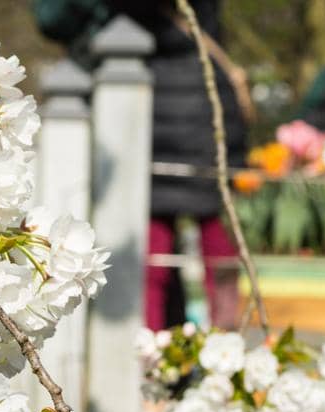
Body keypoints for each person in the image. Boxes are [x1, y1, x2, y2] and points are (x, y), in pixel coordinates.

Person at [34, 0, 248, 331]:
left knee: (156, 237)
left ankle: (150, 348)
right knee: (205, 226)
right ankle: (220, 339)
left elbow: (53, 18)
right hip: (205, 93)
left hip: (150, 101)